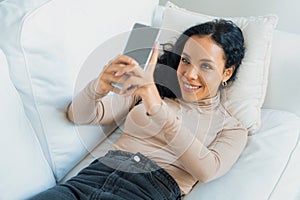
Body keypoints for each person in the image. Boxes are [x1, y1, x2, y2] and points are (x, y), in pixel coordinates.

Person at [30, 19, 247, 200]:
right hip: (92, 176)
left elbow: (207, 170)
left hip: (148, 190)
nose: (190, 74)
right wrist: (98, 88)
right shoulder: (149, 90)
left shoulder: (232, 129)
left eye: (206, 66)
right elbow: (77, 115)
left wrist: (157, 108)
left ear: (226, 73)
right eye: (186, 60)